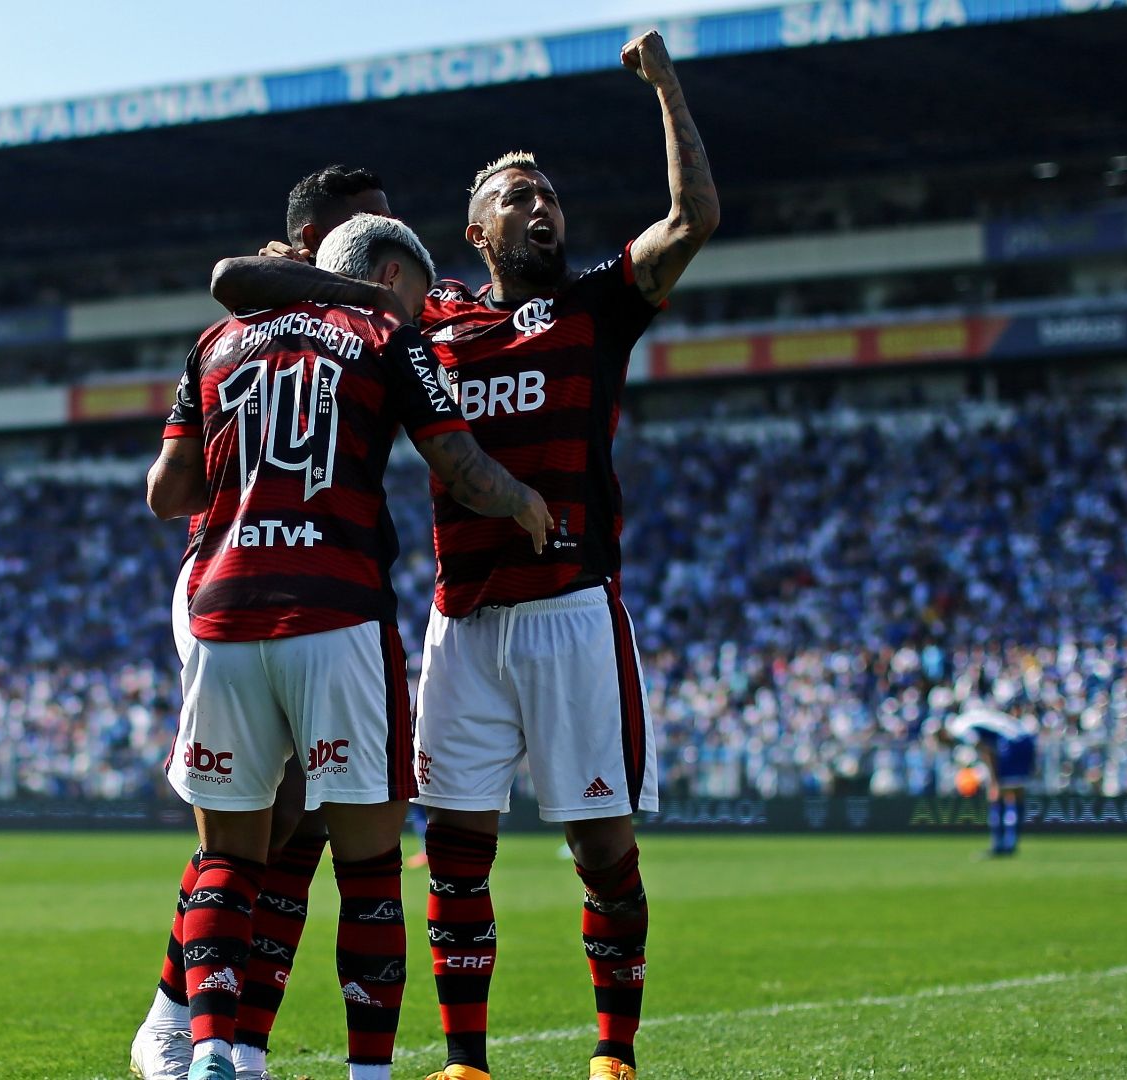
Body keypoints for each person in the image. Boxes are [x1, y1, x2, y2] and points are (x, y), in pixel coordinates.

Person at [211, 31, 718, 1080]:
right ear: (477, 228)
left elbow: (693, 220)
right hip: (464, 621)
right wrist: (319, 263)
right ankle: (467, 1062)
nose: (543, 209)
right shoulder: (426, 320)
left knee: (602, 851)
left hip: (571, 609)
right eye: (519, 197)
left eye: (551, 197)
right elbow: (258, 284)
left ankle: (614, 1053)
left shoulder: (596, 306)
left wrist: (667, 87)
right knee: (452, 850)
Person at [141, 214, 550, 1080]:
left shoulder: (217, 342)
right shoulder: (385, 336)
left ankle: (213, 1053)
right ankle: (368, 1076)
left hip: (222, 614)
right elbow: (459, 465)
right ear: (390, 274)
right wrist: (520, 498)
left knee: (227, 860)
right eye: (419, 292)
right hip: (335, 613)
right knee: (368, 867)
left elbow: (166, 493)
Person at [134, 166, 405, 1080]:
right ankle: (178, 1018)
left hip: (280, 582)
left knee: (300, 822)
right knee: (266, 818)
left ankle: (235, 1044)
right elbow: (230, 277)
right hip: (237, 578)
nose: (377, 248)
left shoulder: (344, 326)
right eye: (364, 228)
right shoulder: (267, 307)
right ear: (309, 244)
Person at [948, 703, 1037, 857]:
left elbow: (985, 749)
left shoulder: (959, 727)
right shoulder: (972, 718)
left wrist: (994, 780)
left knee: (998, 793)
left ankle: (1000, 845)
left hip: (1011, 744)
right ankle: (1010, 843)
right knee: (1016, 793)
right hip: (1025, 739)